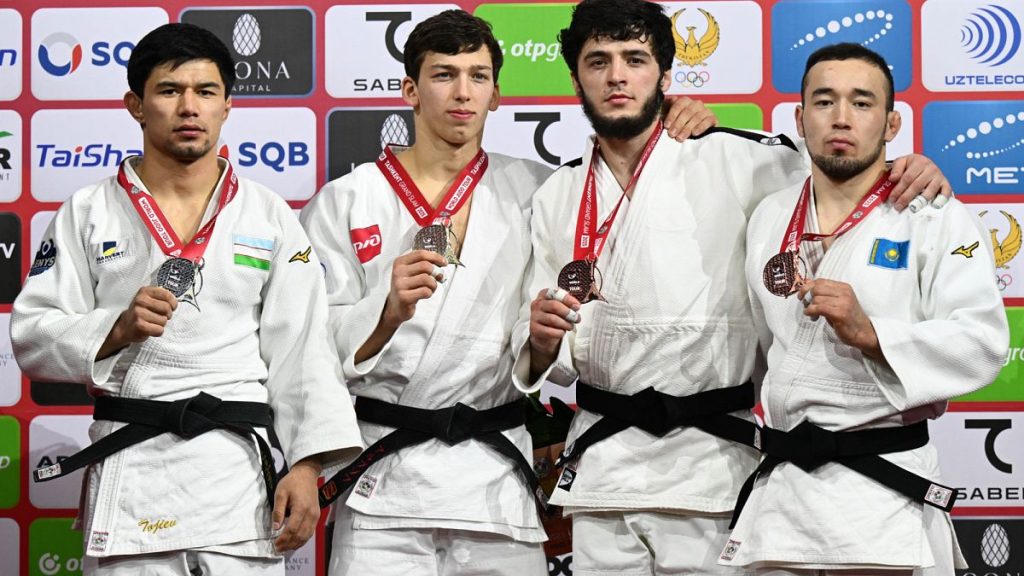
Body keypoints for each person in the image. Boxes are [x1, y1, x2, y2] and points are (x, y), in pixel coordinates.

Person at [514, 1, 953, 574]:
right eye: (598, 61)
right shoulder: (557, 193)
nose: (616, 76)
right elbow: (548, 344)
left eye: (635, 59)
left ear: (666, 76)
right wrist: (542, 343)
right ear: (575, 79)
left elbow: (844, 169)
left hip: (715, 465)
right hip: (603, 466)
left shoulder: (745, 158)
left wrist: (909, 168)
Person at [300, 9, 716, 576]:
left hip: (493, 474)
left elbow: (632, 185)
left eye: (478, 76)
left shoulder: (540, 189)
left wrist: (683, 124)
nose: (462, 93)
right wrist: (385, 313)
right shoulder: (343, 201)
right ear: (409, 90)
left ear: (498, 94)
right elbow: (304, 349)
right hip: (383, 480)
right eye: (444, 75)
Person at [11, 23, 363, 575]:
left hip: (236, 474)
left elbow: (304, 350)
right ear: (136, 105)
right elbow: (32, 335)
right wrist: (115, 327)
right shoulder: (88, 211)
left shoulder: (269, 215)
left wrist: (306, 465)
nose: (189, 107)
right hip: (134, 467)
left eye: (206, 91)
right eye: (170, 91)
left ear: (227, 106)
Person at [722, 42, 1007, 576]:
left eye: (862, 102)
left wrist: (872, 333)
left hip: (881, 492)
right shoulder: (770, 215)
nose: (842, 118)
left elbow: (984, 343)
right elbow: (763, 347)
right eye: (825, 102)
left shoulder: (935, 215)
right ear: (799, 118)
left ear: (892, 122)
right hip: (784, 494)